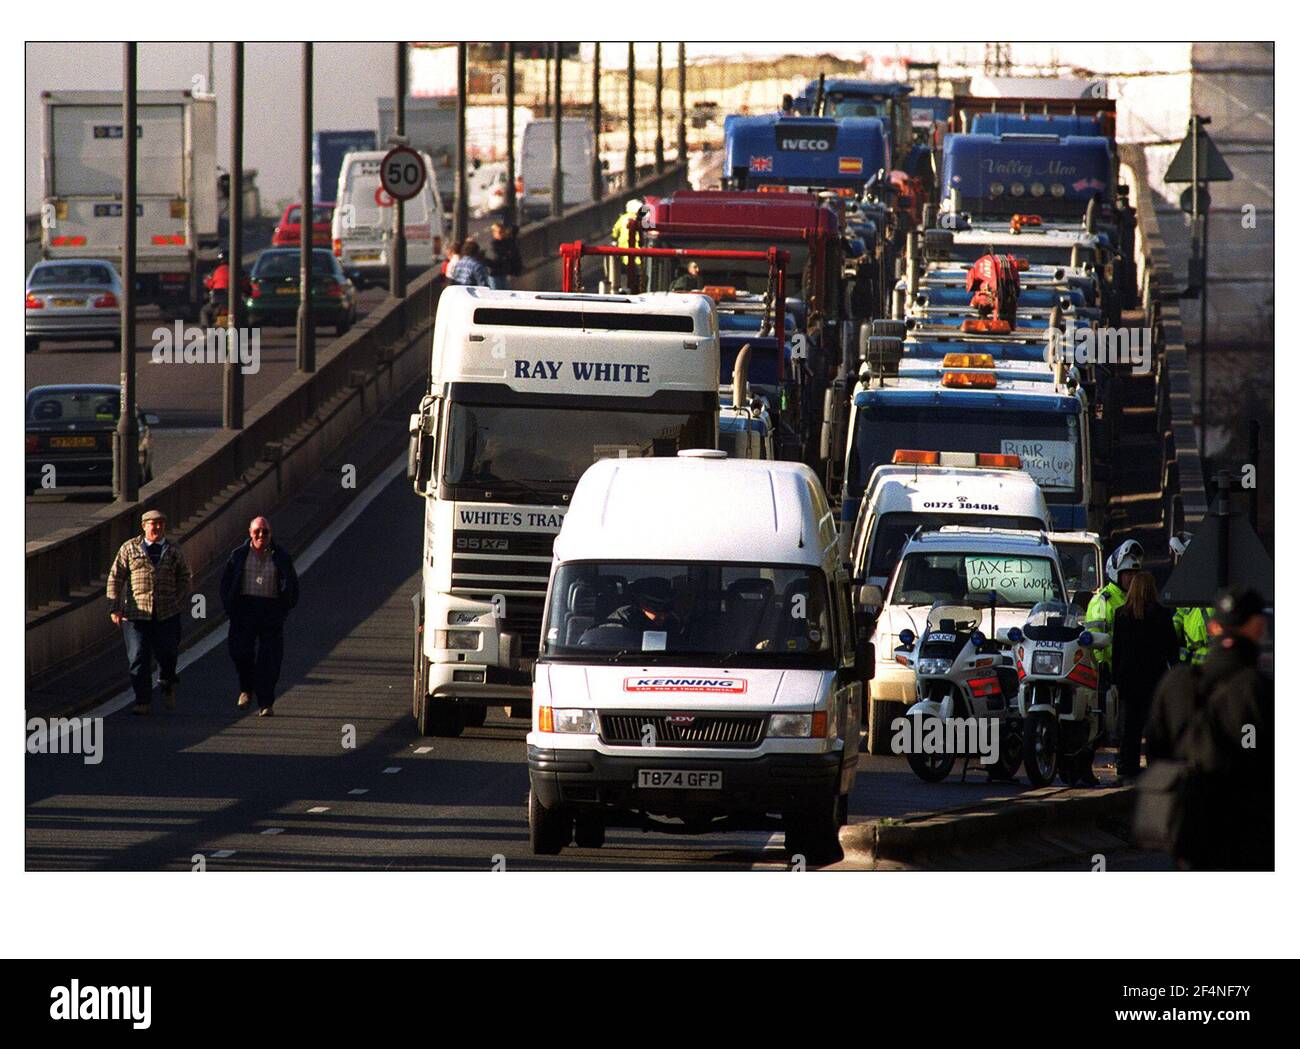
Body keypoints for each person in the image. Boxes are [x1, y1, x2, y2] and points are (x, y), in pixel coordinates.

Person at [1145, 587, 1273, 870]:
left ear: (1213, 627)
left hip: (1187, 834)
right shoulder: (1261, 691)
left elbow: (1156, 752)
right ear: (1258, 628)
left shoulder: (1174, 684)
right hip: (1248, 840)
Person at [107, 509, 192, 715]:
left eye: (160, 523)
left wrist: (178, 598)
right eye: (152, 524)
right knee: (137, 656)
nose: (156, 527)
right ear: (144, 526)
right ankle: (142, 700)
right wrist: (114, 607)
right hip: (136, 614)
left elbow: (185, 576)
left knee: (168, 652)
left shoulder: (172, 549)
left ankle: (166, 681)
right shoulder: (130, 548)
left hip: (167, 612)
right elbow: (115, 577)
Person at [220, 516, 300, 717]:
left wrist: (285, 608)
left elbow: (292, 584)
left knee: (270, 659)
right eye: (257, 531)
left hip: (271, 610)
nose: (261, 535)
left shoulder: (281, 556)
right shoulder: (238, 555)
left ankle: (266, 702)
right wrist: (230, 607)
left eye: (265, 531)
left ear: (271, 534)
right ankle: (246, 689)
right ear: (250, 533)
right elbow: (226, 583)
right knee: (240, 652)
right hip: (244, 609)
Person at [1110, 570, 1179, 781]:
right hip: (1154, 679)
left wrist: (1115, 679)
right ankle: (1154, 767)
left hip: (1129, 680)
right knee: (1153, 727)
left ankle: (1126, 767)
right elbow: (1171, 650)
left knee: (1129, 727)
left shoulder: (1121, 615)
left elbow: (1117, 651)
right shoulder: (1161, 614)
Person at [582, 578, 683, 648]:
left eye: (668, 608)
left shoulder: (673, 622)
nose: (663, 615)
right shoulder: (619, 621)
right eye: (656, 608)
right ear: (640, 604)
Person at [1168, 532, 1213, 665]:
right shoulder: (1189, 588)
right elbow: (1181, 615)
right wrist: (1167, 632)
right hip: (1194, 667)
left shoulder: (1210, 588)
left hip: (1209, 667)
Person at [486, 222, 522, 290]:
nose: (502, 234)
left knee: (506, 292)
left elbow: (512, 251)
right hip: (494, 273)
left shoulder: (506, 242)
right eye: (499, 232)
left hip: (503, 272)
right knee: (496, 292)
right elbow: (495, 258)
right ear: (494, 233)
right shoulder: (493, 244)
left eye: (503, 231)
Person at [202, 250, 230, 327]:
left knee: (204, 310)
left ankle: (207, 327)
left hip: (218, 301)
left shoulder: (214, 271)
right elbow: (246, 285)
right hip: (229, 302)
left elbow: (208, 284)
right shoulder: (239, 271)